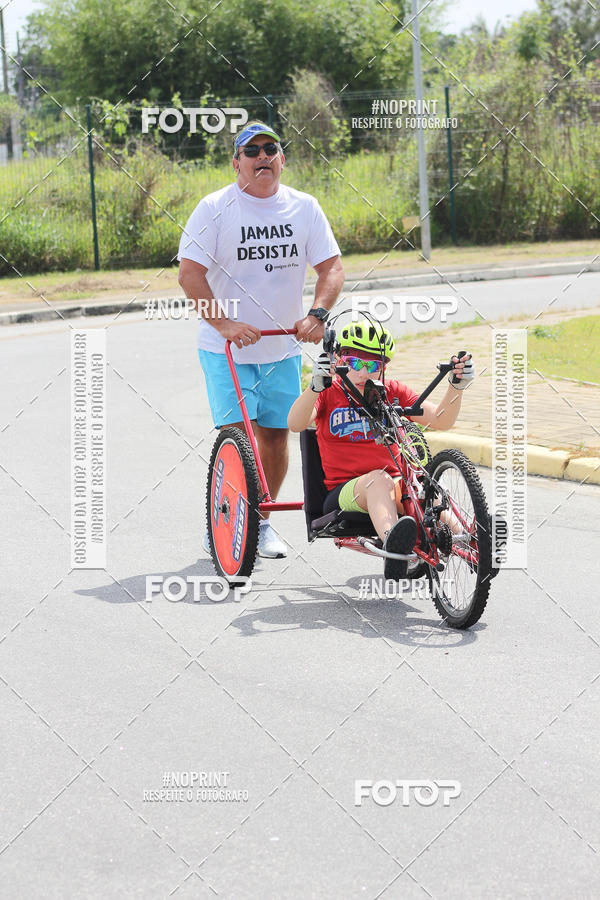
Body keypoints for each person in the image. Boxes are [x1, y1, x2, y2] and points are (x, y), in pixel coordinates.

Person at [178, 121, 344, 558]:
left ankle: (261, 523)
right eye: (252, 151)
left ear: (282, 159)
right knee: (239, 436)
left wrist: (318, 314)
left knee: (274, 437)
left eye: (271, 149)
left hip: (281, 348)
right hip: (226, 349)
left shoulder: (304, 208)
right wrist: (226, 326)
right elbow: (189, 274)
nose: (263, 156)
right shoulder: (214, 209)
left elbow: (331, 268)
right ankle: (228, 519)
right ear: (237, 163)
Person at [287, 320, 475, 579]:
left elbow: (440, 420)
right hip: (345, 492)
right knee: (379, 479)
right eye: (355, 363)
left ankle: (469, 543)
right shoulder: (329, 392)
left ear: (384, 367)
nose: (364, 373)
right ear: (340, 358)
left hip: (393, 485)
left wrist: (456, 386)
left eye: (373, 366)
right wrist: (314, 386)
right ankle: (394, 546)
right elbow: (295, 424)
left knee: (421, 490)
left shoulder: (391, 392)